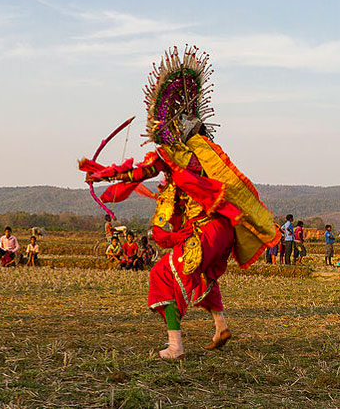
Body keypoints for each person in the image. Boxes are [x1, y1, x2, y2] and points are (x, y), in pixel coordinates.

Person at [80, 46, 279, 359]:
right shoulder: (206, 153)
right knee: (200, 277)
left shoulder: (173, 155)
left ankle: (175, 347)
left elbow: (141, 171)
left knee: (162, 274)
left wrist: (102, 174)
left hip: (206, 230)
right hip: (223, 229)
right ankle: (220, 325)